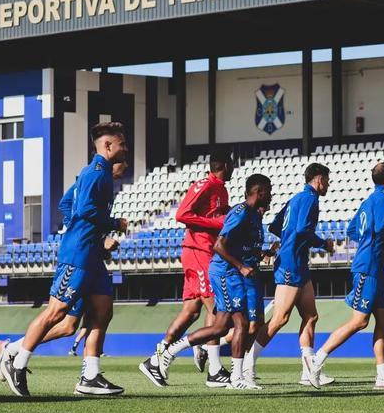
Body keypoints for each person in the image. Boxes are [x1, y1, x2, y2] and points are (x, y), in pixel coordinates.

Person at [0, 122, 128, 397]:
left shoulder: (95, 173)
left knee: (102, 310)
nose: (125, 149)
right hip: (78, 253)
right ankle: (17, 362)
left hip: (91, 253)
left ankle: (90, 376)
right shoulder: (96, 173)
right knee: (56, 313)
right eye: (122, 144)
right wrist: (110, 224)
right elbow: (83, 209)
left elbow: (66, 205)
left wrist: (92, 233)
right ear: (108, 146)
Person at [155, 174, 273, 390]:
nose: (271, 195)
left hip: (234, 273)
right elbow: (219, 246)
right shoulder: (240, 212)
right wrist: (241, 266)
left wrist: (263, 253)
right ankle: (237, 379)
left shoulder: (254, 217)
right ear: (260, 192)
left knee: (220, 327)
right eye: (269, 190)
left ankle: (171, 351)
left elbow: (244, 248)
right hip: (226, 273)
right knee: (241, 324)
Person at [307, 162, 384, 390]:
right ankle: (316, 360)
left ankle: (383, 376)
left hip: (372, 266)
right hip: (369, 267)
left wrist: (367, 242)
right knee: (359, 321)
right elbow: (383, 230)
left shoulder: (368, 202)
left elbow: (352, 230)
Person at [139, 150, 233, 388]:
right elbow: (182, 214)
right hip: (198, 251)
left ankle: (156, 359)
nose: (234, 168)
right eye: (231, 164)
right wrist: (215, 223)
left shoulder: (221, 188)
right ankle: (214, 369)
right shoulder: (205, 185)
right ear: (223, 165)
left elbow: (217, 216)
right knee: (217, 307)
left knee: (191, 311)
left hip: (204, 251)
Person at [243, 163, 335, 387]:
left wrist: (288, 239)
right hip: (291, 265)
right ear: (318, 179)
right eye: (327, 180)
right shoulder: (311, 199)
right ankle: (246, 366)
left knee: (311, 316)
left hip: (298, 264)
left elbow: (275, 226)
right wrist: (324, 244)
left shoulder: (295, 199)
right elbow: (303, 230)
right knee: (279, 319)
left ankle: (307, 372)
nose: (328, 185)